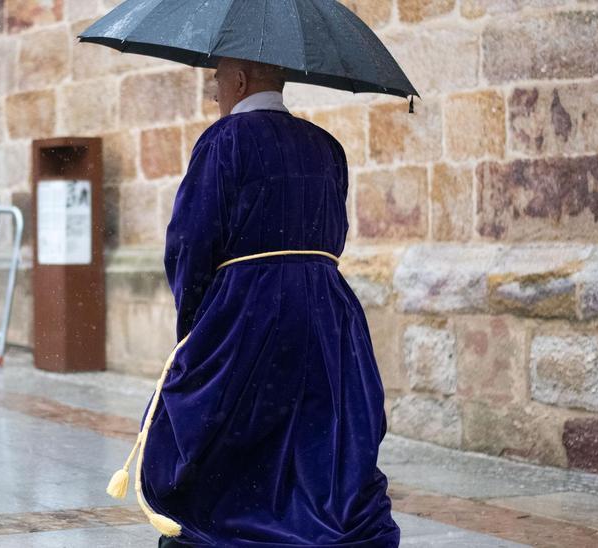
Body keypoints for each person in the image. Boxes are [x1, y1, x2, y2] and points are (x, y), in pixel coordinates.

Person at [124, 58, 399, 547]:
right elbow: (335, 233)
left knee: (235, 434)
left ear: (240, 79)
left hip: (245, 307)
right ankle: (304, 526)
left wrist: (196, 325)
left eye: (216, 81)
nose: (214, 94)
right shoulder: (326, 146)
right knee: (313, 433)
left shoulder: (223, 141)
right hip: (328, 312)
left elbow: (191, 241)